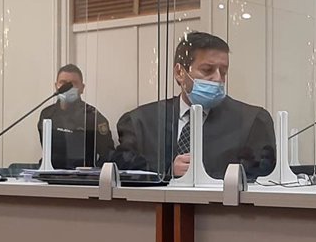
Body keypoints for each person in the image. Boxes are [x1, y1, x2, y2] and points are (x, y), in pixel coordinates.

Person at [113, 31, 275, 179]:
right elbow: (122, 168)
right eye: (207, 70)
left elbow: (261, 176)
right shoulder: (140, 121)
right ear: (180, 73)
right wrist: (166, 171)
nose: (218, 78)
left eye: (223, 72)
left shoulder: (251, 121)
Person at [36, 64, 114, 169]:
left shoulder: (93, 117)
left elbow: (107, 155)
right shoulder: (47, 114)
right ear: (56, 86)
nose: (68, 88)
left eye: (73, 83)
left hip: (83, 176)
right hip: (51, 173)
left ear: (82, 88)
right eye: (63, 83)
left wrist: (94, 173)